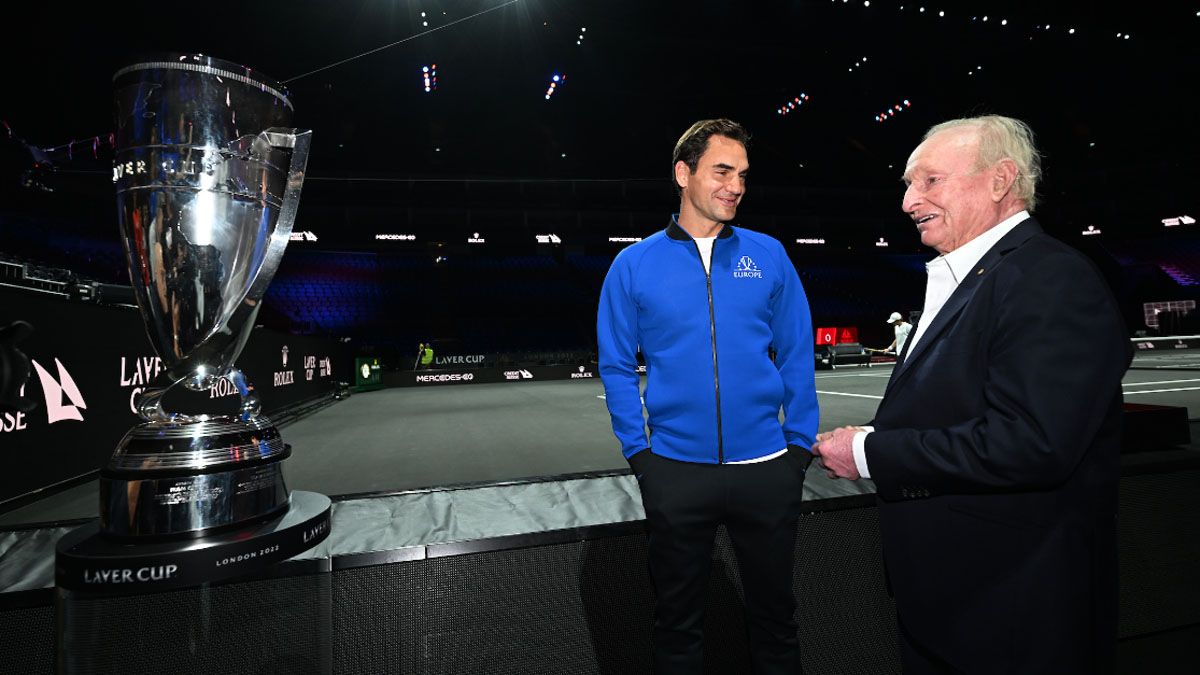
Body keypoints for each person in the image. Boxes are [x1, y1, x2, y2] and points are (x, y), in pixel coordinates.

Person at [812, 115, 1130, 674]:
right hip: (956, 597)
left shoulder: (1048, 277)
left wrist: (868, 452)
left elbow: (1033, 444)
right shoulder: (981, 276)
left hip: (1013, 608)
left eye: (929, 181)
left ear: (1000, 180)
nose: (910, 202)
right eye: (909, 185)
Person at [597, 118, 818, 674]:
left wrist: (797, 447)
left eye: (742, 174)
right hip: (675, 470)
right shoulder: (633, 264)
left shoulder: (769, 255)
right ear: (683, 174)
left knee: (775, 620)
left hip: (768, 468)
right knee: (677, 627)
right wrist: (641, 456)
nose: (736, 185)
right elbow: (617, 365)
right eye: (722, 170)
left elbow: (796, 352)